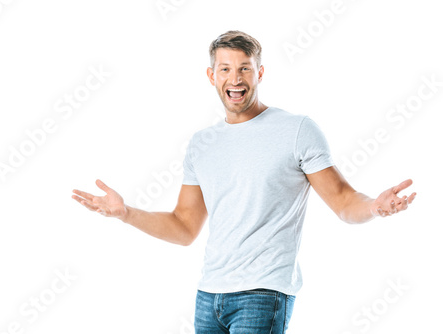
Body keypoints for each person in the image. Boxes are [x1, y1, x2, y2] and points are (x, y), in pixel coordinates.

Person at [71, 30, 416, 334]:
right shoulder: (202, 144)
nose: (235, 79)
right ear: (211, 75)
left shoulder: (296, 130)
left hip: (263, 294)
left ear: (259, 73)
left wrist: (374, 206)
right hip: (209, 296)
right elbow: (184, 226)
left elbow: (342, 201)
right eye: (225, 69)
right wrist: (125, 213)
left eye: (244, 68)